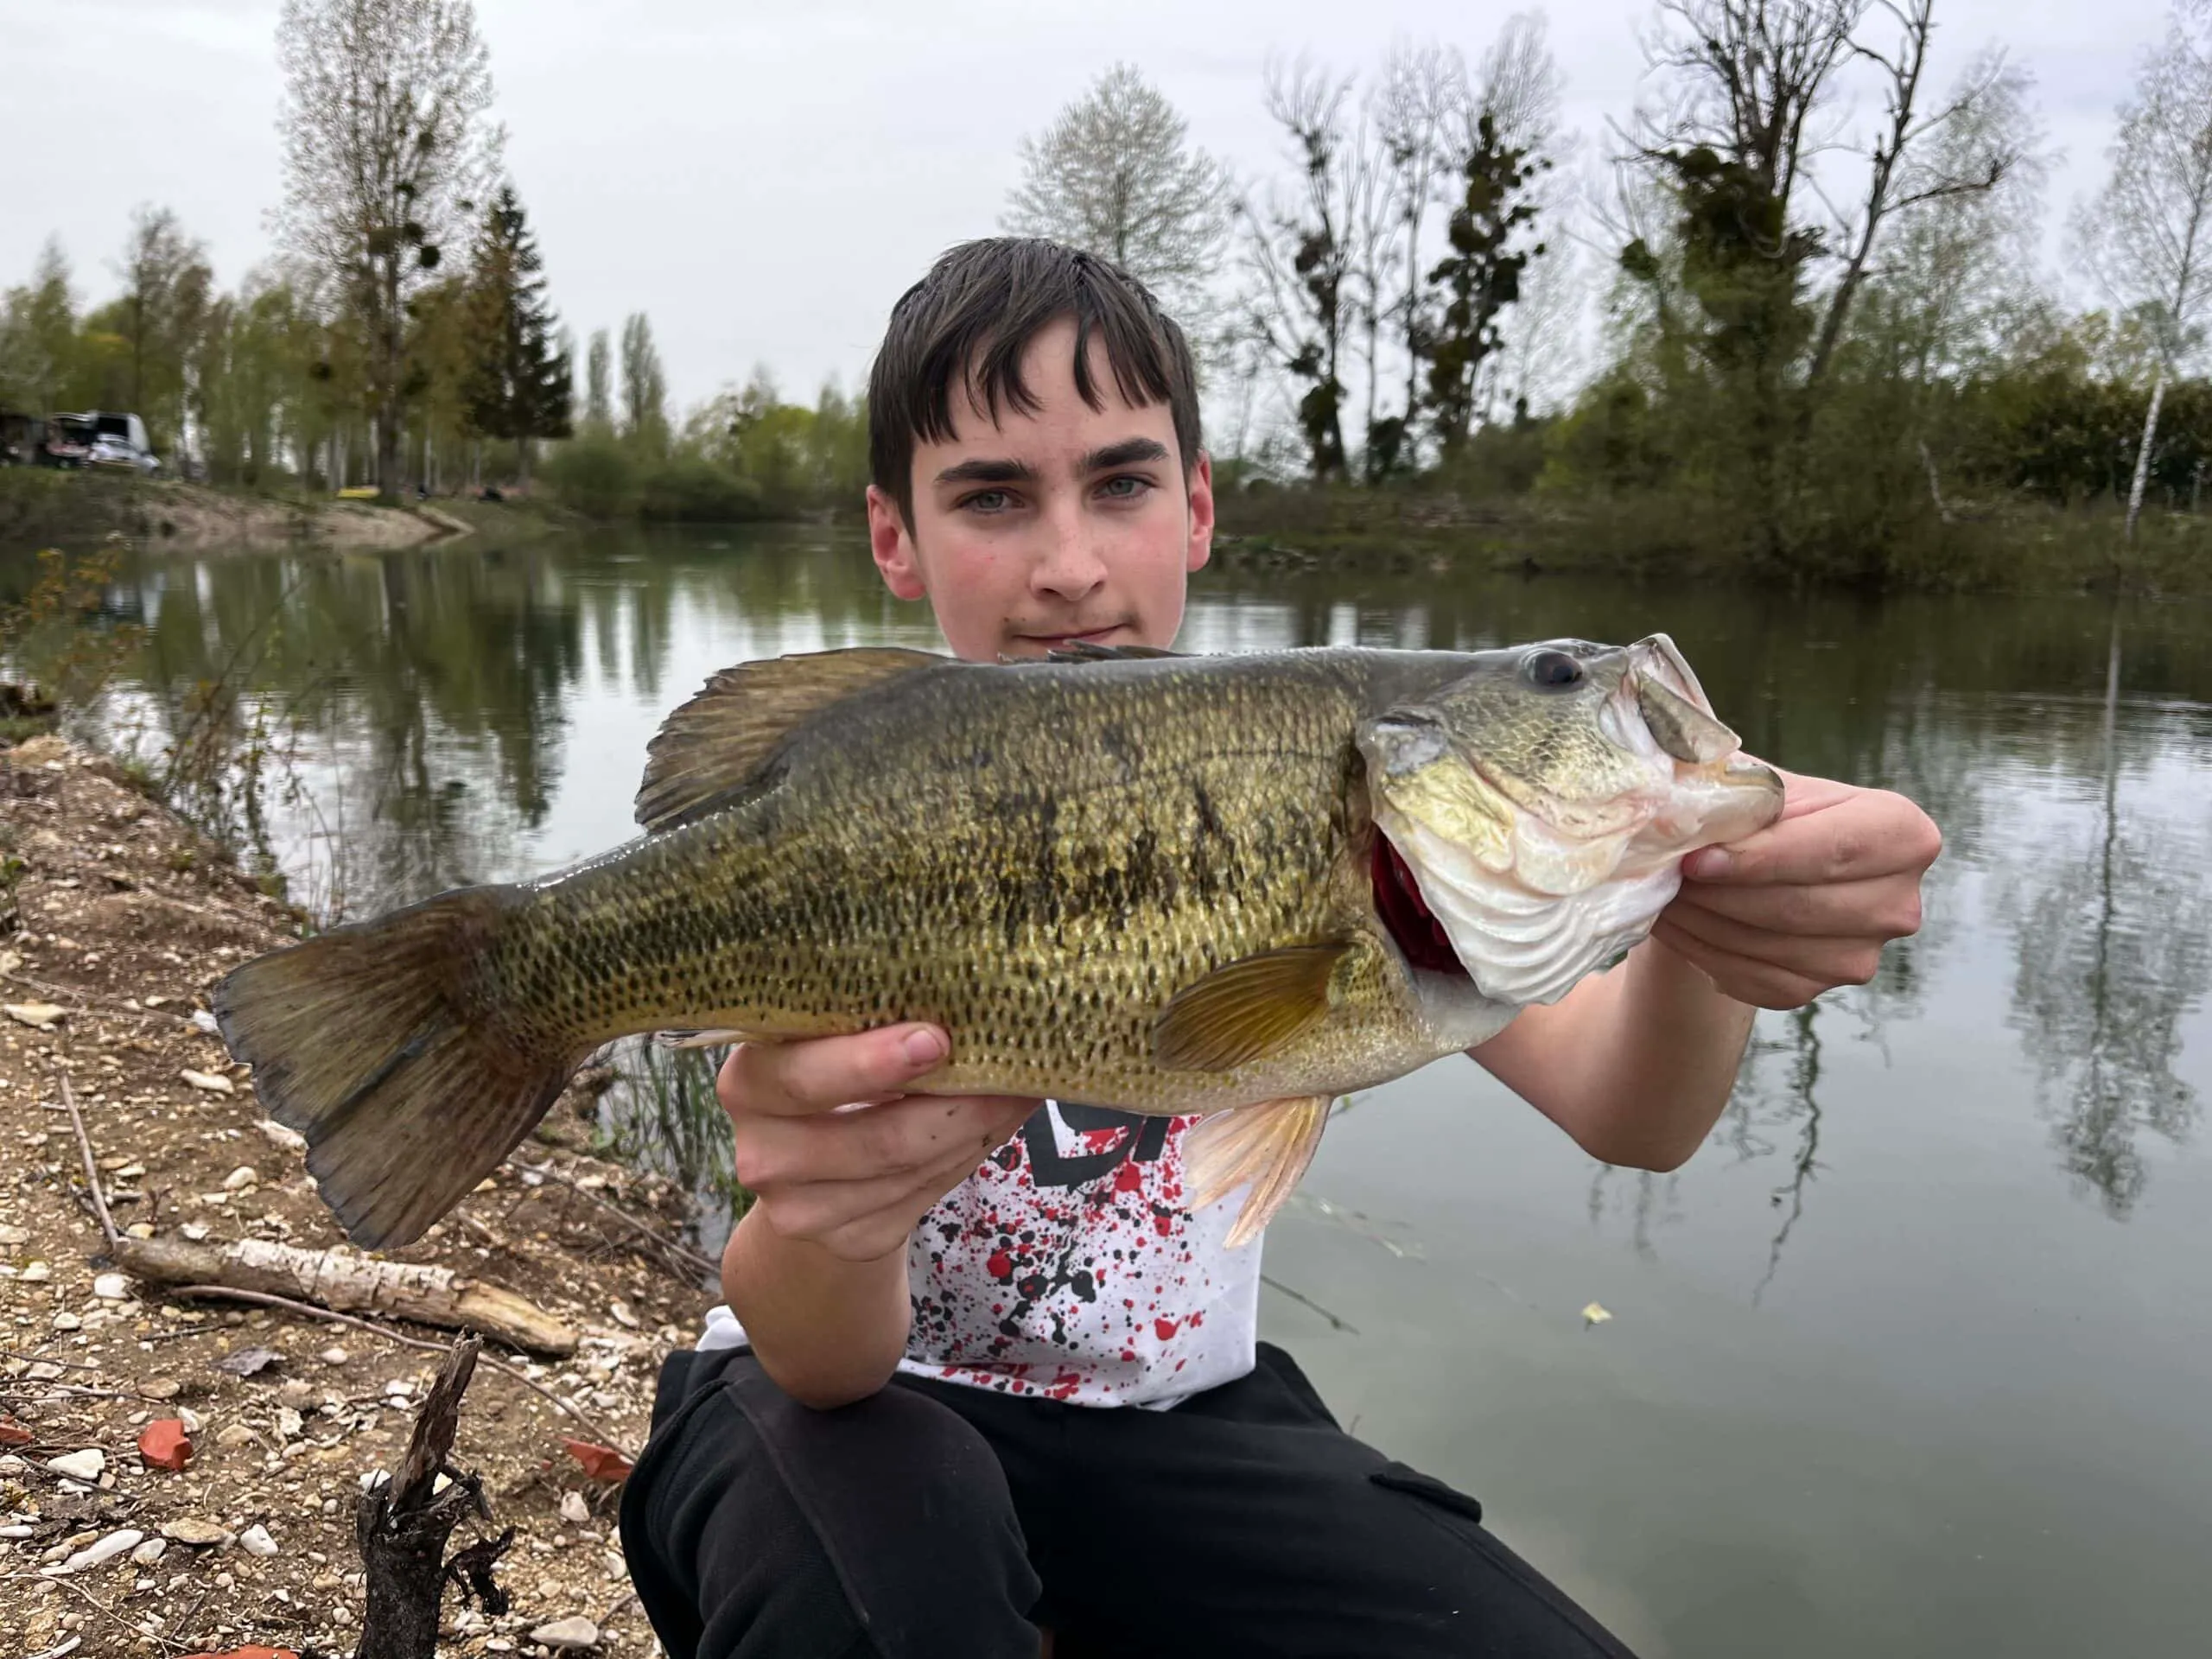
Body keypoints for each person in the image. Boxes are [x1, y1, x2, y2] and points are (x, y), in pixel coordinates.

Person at [617, 238, 1941, 1659]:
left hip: (1176, 1426)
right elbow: (818, 1357)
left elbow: (1639, 1118)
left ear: (1195, 506)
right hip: (832, 1407)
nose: (1070, 566)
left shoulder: (1381, 864)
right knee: (889, 1571)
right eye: (993, 497)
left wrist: (1707, 917)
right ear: (895, 536)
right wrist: (834, 1224)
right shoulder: (870, 805)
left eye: (1121, 483)